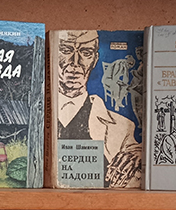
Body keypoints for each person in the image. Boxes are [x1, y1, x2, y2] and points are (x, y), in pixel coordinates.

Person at [55, 30, 142, 187]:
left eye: (86, 53)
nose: (75, 63)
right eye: (66, 50)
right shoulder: (33, 115)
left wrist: (138, 156)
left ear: (94, 60)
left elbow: (136, 151)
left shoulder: (122, 125)